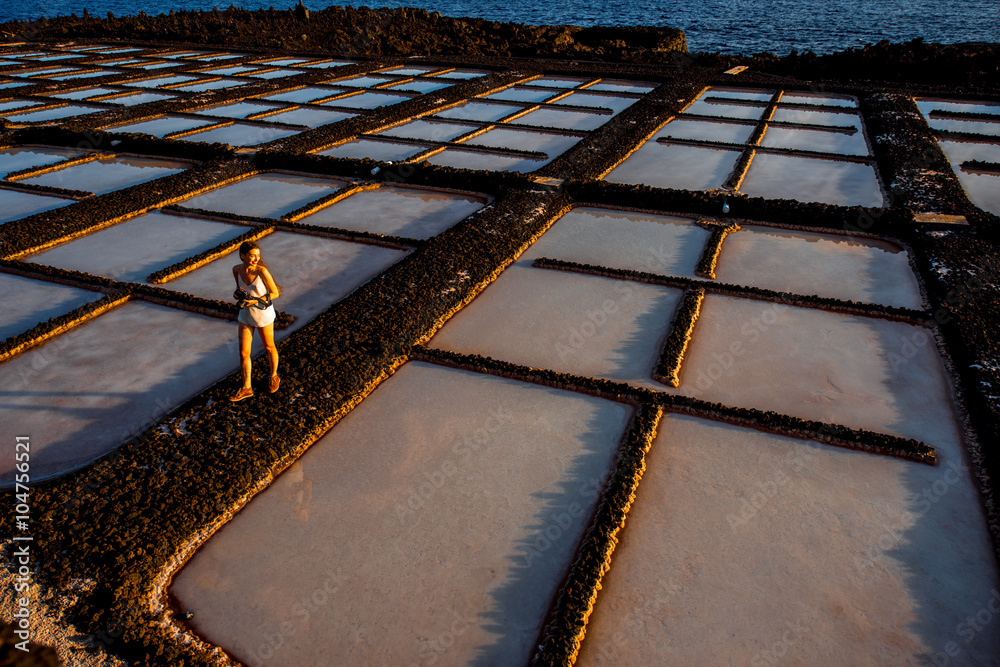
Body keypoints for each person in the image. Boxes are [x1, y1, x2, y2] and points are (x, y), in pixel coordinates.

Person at [229, 240, 280, 401]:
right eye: (252, 256)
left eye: (257, 256)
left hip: (263, 314)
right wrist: (238, 294)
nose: (255, 259)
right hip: (245, 314)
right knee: (244, 352)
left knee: (269, 346)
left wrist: (255, 300)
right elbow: (240, 288)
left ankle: (274, 376)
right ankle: (246, 387)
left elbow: (275, 293)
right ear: (243, 256)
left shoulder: (262, 271)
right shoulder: (236, 270)